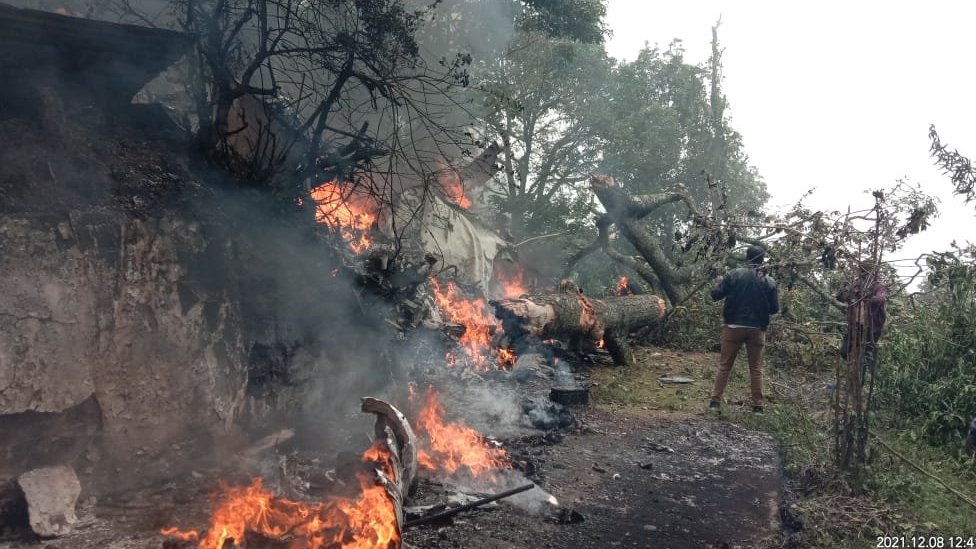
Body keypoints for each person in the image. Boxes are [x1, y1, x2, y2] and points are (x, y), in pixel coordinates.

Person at [708, 245, 780, 413]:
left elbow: (715, 295)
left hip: (733, 326)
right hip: (757, 330)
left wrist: (718, 283)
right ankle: (758, 407)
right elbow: (774, 309)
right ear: (763, 260)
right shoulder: (769, 281)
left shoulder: (734, 274)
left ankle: (715, 402)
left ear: (747, 257)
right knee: (756, 369)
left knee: (725, 365)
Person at [837, 263, 888, 373]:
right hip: (855, 325)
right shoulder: (855, 286)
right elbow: (842, 298)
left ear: (871, 273)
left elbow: (880, 299)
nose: (862, 274)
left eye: (865, 272)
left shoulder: (878, 287)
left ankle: (863, 378)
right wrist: (844, 292)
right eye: (861, 272)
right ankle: (851, 374)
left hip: (872, 327)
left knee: (866, 356)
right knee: (844, 351)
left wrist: (865, 297)